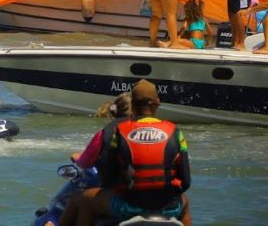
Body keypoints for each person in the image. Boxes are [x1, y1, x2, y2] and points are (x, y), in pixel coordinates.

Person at [64, 80, 191, 226]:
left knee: (86, 199)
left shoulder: (119, 132)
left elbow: (109, 180)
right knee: (185, 202)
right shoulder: (176, 132)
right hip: (168, 207)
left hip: (129, 206)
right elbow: (186, 181)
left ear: (134, 105)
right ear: (158, 103)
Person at [57, 92, 133, 226]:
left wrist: (77, 157)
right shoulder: (159, 132)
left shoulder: (106, 133)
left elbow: (85, 162)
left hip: (121, 199)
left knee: (79, 200)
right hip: (158, 198)